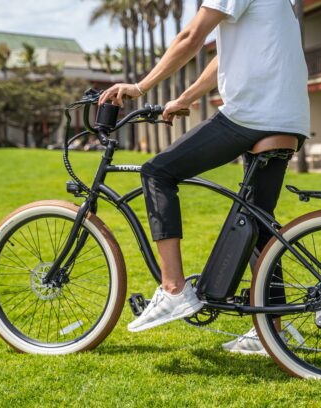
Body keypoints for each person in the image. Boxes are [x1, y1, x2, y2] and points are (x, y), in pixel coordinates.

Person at [98, 0, 309, 353]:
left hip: (251, 115)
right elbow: (226, 59)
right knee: (257, 221)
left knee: (157, 172)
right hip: (289, 119)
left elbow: (190, 36)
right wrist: (184, 97)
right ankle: (272, 331)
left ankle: (173, 290)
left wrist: (140, 86)